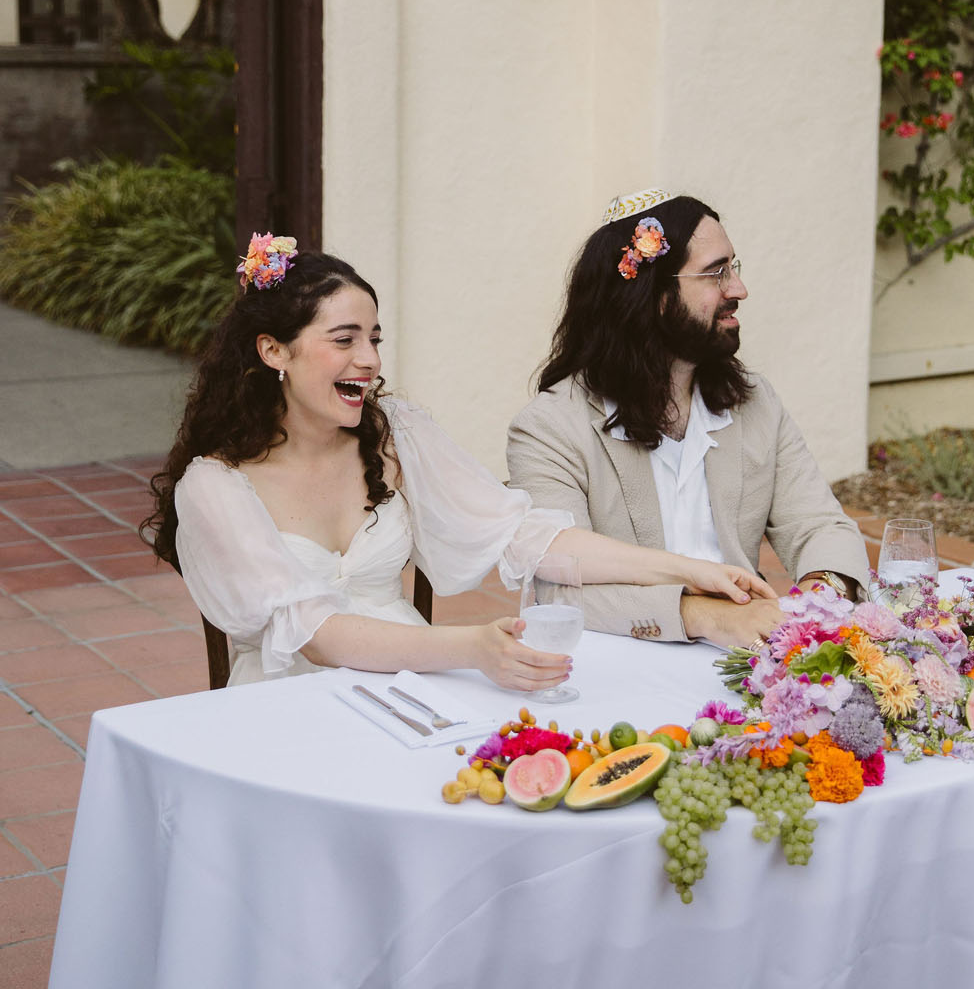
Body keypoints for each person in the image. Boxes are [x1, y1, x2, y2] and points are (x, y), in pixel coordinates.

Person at [144, 238, 771, 691]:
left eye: (375, 338)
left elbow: (527, 537)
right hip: (292, 705)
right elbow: (323, 637)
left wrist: (689, 569)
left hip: (414, 688)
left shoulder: (399, 436)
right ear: (274, 350)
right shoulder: (213, 485)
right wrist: (470, 649)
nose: (370, 360)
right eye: (344, 340)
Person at [506, 189, 870, 647]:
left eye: (733, 268)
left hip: (744, 657)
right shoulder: (550, 428)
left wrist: (822, 599)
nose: (738, 288)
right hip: (619, 665)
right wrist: (703, 615)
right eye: (716, 272)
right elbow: (556, 589)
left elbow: (818, 525)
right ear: (653, 296)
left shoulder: (755, 403)